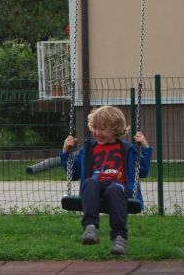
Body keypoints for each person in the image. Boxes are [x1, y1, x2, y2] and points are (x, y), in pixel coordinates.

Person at [61, 105, 152, 256]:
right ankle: (90, 228)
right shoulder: (88, 149)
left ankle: (119, 238)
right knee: (90, 182)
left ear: (115, 129)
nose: (97, 133)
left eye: (102, 129)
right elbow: (74, 173)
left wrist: (145, 147)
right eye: (95, 128)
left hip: (118, 187)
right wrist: (66, 151)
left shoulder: (127, 149)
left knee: (115, 189)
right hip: (95, 187)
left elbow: (142, 171)